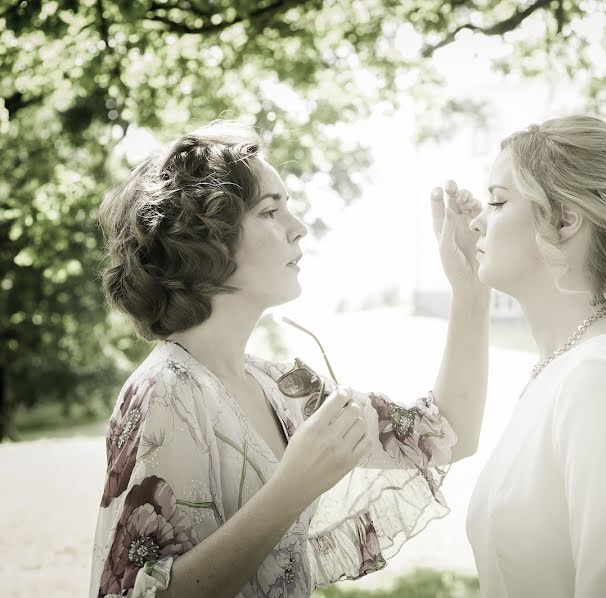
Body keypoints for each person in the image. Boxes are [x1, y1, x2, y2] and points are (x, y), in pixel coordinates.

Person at [90, 121, 491, 597]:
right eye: (270, 211)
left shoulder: (285, 389)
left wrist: (471, 293)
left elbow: (448, 434)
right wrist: (294, 486)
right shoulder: (165, 390)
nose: (298, 228)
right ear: (207, 239)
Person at [462, 116, 606, 597]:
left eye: (498, 201)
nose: (477, 220)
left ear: (566, 220)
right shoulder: (565, 367)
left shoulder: (604, 378)